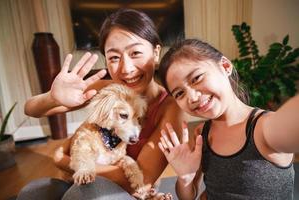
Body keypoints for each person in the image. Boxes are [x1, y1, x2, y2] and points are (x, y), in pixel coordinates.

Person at [22, 8, 184, 199]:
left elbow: (143, 179)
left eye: (135, 53)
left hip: (130, 191)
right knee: (33, 192)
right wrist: (52, 98)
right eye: (114, 57)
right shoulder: (108, 90)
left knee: (81, 194)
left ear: (156, 53)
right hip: (83, 173)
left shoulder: (171, 108)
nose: (126, 68)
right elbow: (30, 109)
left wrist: (62, 160)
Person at [157, 39, 298, 200]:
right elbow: (188, 196)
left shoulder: (264, 128)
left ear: (225, 66)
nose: (192, 97)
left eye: (196, 78)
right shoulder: (201, 134)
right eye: (179, 93)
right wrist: (185, 177)